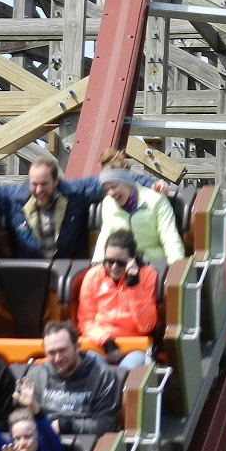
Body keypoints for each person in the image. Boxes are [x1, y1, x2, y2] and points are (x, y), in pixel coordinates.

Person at [0, 154, 162, 260]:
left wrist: (151, 185)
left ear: (56, 181)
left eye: (44, 184)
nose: (39, 190)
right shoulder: (14, 197)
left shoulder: (75, 193)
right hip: (29, 273)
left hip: (70, 267)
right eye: (34, 184)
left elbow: (112, 179)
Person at [77, 229, 158, 368]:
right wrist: (106, 341)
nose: (114, 267)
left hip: (134, 345)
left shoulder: (148, 275)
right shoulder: (93, 276)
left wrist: (134, 285)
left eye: (120, 263)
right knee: (92, 370)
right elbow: (86, 321)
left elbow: (146, 326)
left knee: (125, 372)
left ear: (132, 260)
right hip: (99, 343)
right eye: (109, 261)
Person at [24, 320, 121, 435]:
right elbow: (23, 421)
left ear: (76, 347)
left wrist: (65, 425)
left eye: (62, 350)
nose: (57, 358)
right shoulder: (37, 375)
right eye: (51, 353)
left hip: (87, 444)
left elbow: (104, 425)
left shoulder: (103, 376)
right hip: (45, 442)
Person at [91, 151, 185, 264]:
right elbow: (105, 236)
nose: (111, 193)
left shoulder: (156, 201)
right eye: (106, 190)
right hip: (122, 266)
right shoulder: (108, 204)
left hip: (153, 264)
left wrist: (176, 266)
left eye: (114, 186)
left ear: (127, 182)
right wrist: (97, 265)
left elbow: (169, 236)